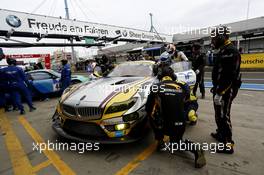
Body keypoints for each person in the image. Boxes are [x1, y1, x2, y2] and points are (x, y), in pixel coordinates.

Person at [146, 66, 206, 168]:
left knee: (152, 115)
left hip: (163, 125)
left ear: (160, 77)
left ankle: (160, 141)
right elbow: (193, 102)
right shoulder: (183, 85)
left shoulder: (155, 87)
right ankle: (195, 148)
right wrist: (191, 111)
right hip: (180, 123)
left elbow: (148, 108)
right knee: (177, 143)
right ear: (173, 76)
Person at [211, 26, 242, 154]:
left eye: (214, 37)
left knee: (224, 115)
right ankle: (221, 134)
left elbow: (228, 75)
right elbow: (220, 72)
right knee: (218, 113)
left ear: (222, 37)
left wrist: (220, 92)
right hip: (220, 89)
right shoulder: (224, 50)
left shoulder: (230, 51)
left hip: (226, 90)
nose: (212, 40)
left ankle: (228, 144)